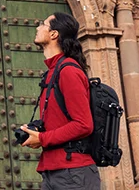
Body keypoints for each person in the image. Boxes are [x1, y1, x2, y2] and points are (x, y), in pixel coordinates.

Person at [20, 11, 99, 190]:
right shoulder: (53, 72)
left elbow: (84, 124)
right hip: (55, 171)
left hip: (73, 173)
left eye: (43, 24)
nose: (38, 27)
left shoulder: (68, 71)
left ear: (54, 34)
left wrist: (42, 138)